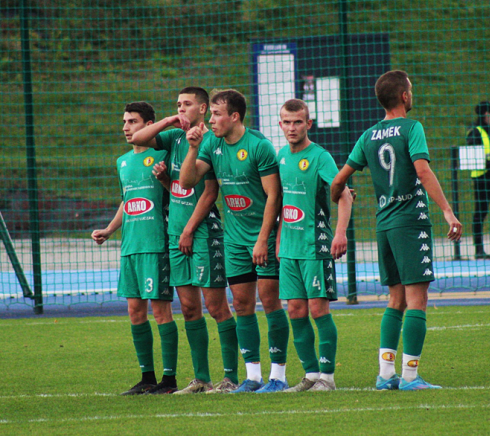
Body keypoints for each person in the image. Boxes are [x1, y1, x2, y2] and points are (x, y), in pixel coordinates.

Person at [331, 70, 462, 391]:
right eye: (411, 90)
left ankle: (386, 375)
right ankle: (411, 377)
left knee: (395, 300)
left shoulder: (368, 136)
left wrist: (339, 197)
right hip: (410, 222)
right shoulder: (411, 128)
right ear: (404, 96)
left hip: (384, 224)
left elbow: (338, 181)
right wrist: (447, 211)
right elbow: (422, 169)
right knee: (417, 300)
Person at [179, 89, 290, 393]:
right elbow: (188, 182)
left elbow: (273, 197)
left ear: (234, 117)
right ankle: (253, 377)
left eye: (216, 114)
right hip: (234, 239)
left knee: (270, 302)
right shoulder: (211, 143)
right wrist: (192, 149)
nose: (210, 120)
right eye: (211, 113)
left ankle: (278, 376)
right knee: (241, 304)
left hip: (260, 238)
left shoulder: (259, 147)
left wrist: (263, 239)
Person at [130, 87, 239, 394]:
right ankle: (201, 379)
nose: (181, 108)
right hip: (176, 234)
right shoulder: (175, 137)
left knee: (216, 307)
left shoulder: (213, 140)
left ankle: (230, 377)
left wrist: (190, 229)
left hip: (202, 232)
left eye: (187, 104)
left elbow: (209, 192)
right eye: (178, 104)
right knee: (189, 309)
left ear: (203, 109)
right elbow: (139, 139)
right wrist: (168, 120)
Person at [91, 102, 179, 395]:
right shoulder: (122, 162)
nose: (126, 127)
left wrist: (165, 178)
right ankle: (147, 378)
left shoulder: (163, 154)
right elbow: (127, 201)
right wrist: (109, 229)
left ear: (149, 124)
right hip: (130, 246)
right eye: (124, 121)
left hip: (156, 244)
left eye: (132, 121)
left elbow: (180, 194)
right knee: (134, 311)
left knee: (161, 311)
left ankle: (169, 380)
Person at [276, 99, 353, 392]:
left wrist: (340, 234)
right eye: (287, 122)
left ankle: (328, 378)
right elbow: (285, 203)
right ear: (280, 124)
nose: (292, 127)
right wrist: (280, 238)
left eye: (298, 122)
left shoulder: (320, 157)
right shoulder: (281, 156)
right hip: (290, 248)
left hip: (315, 246)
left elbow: (344, 195)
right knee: (295, 310)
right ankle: (310, 375)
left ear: (309, 124)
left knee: (318, 311)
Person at [466, 100, 490, 259]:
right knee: (480, 213)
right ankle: (479, 249)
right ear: (486, 114)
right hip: (482, 179)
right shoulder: (475, 133)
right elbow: (474, 156)